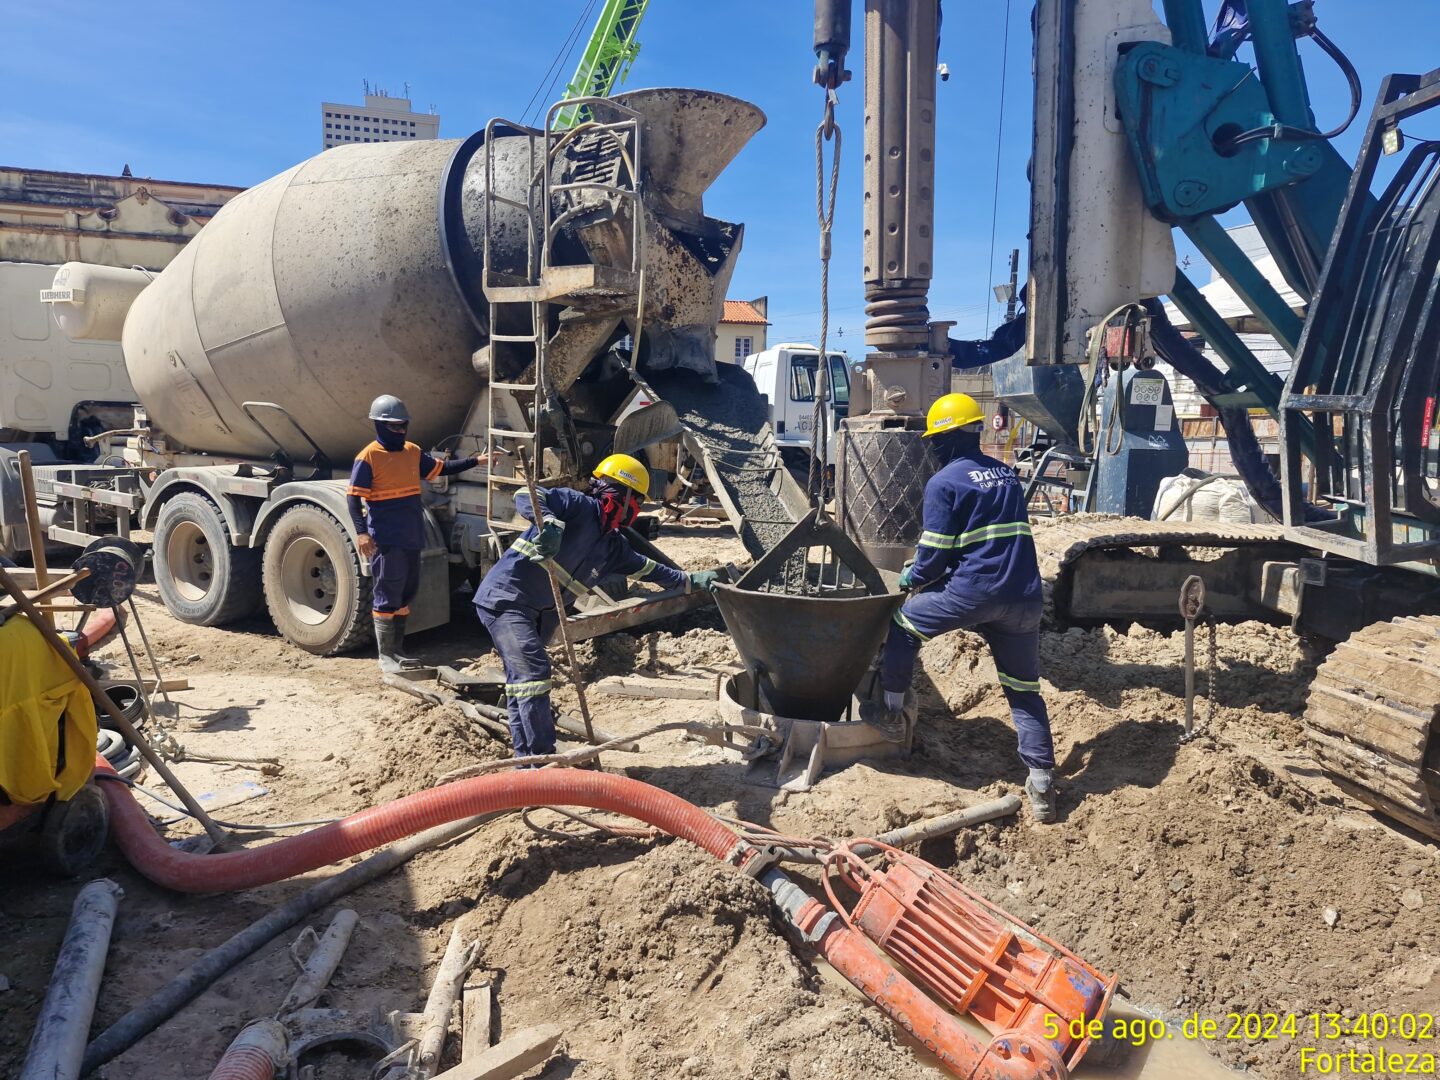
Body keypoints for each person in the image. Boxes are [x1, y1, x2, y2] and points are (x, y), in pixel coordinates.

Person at [878, 393, 1059, 823]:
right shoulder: (1007, 475)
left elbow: (935, 554)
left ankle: (888, 712)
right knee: (1023, 688)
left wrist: (913, 576)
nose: (933, 445)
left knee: (903, 625)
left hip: (974, 594)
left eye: (936, 438)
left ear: (948, 437)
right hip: (1024, 598)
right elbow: (986, 540)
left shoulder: (944, 482)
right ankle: (1042, 782)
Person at [473, 452, 719, 761]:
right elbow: (529, 493)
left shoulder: (613, 546)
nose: (636, 510)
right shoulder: (577, 507)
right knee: (534, 674)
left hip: (542, 614)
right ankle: (543, 759)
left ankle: (527, 762)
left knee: (522, 685)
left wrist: (690, 580)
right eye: (636, 502)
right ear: (620, 493)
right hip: (507, 599)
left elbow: (651, 570)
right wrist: (548, 523)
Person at [347, 395, 480, 673]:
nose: (401, 431)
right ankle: (386, 656)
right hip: (386, 537)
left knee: (406, 592)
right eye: (394, 426)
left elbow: (441, 469)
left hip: (411, 535)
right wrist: (361, 533)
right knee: (387, 592)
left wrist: (476, 460)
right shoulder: (368, 456)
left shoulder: (412, 451)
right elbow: (353, 498)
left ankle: (399, 651)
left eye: (403, 425)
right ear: (380, 426)